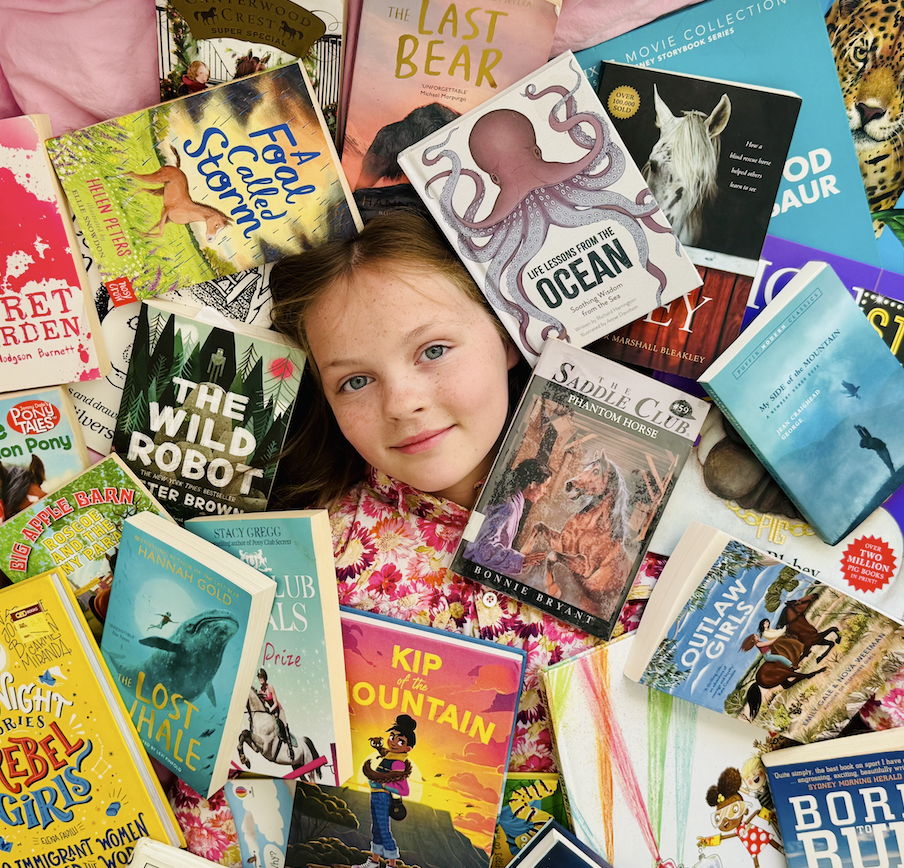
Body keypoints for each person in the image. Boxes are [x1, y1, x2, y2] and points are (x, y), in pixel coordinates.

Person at [268, 211, 616, 773]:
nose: (401, 403)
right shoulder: (303, 565)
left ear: (508, 335)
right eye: (355, 381)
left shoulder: (645, 512)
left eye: (433, 350)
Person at [463, 457, 552, 574]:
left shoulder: (513, 499)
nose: (545, 491)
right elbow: (483, 548)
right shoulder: (509, 507)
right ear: (532, 484)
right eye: (544, 486)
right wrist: (520, 560)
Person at [357, 714, 417, 868]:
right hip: (375, 796)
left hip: (383, 798)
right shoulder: (391, 756)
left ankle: (392, 865)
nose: (394, 742)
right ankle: (374, 862)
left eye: (400, 741)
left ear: (407, 748)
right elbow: (384, 752)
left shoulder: (398, 763)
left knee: (384, 830)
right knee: (376, 829)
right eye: (392, 737)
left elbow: (404, 790)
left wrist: (383, 785)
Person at [256, 668, 295, 757]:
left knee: (284, 725)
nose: (260, 679)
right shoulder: (260, 690)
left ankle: (290, 748)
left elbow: (276, 703)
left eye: (262, 677)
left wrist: (269, 710)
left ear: (265, 678)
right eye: (259, 677)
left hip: (278, 709)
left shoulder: (270, 687)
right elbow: (262, 704)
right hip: (271, 711)